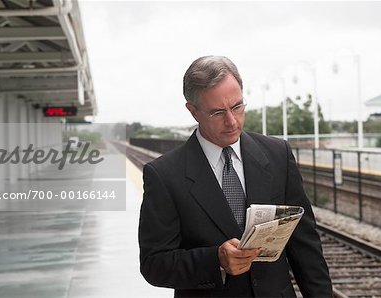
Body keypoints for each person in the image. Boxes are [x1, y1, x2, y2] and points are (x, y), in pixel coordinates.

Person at [138, 55, 333, 297]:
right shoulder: (164, 175)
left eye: (237, 106)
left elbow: (305, 246)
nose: (231, 121)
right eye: (218, 112)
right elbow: (153, 265)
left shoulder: (277, 154)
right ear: (193, 112)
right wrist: (215, 260)